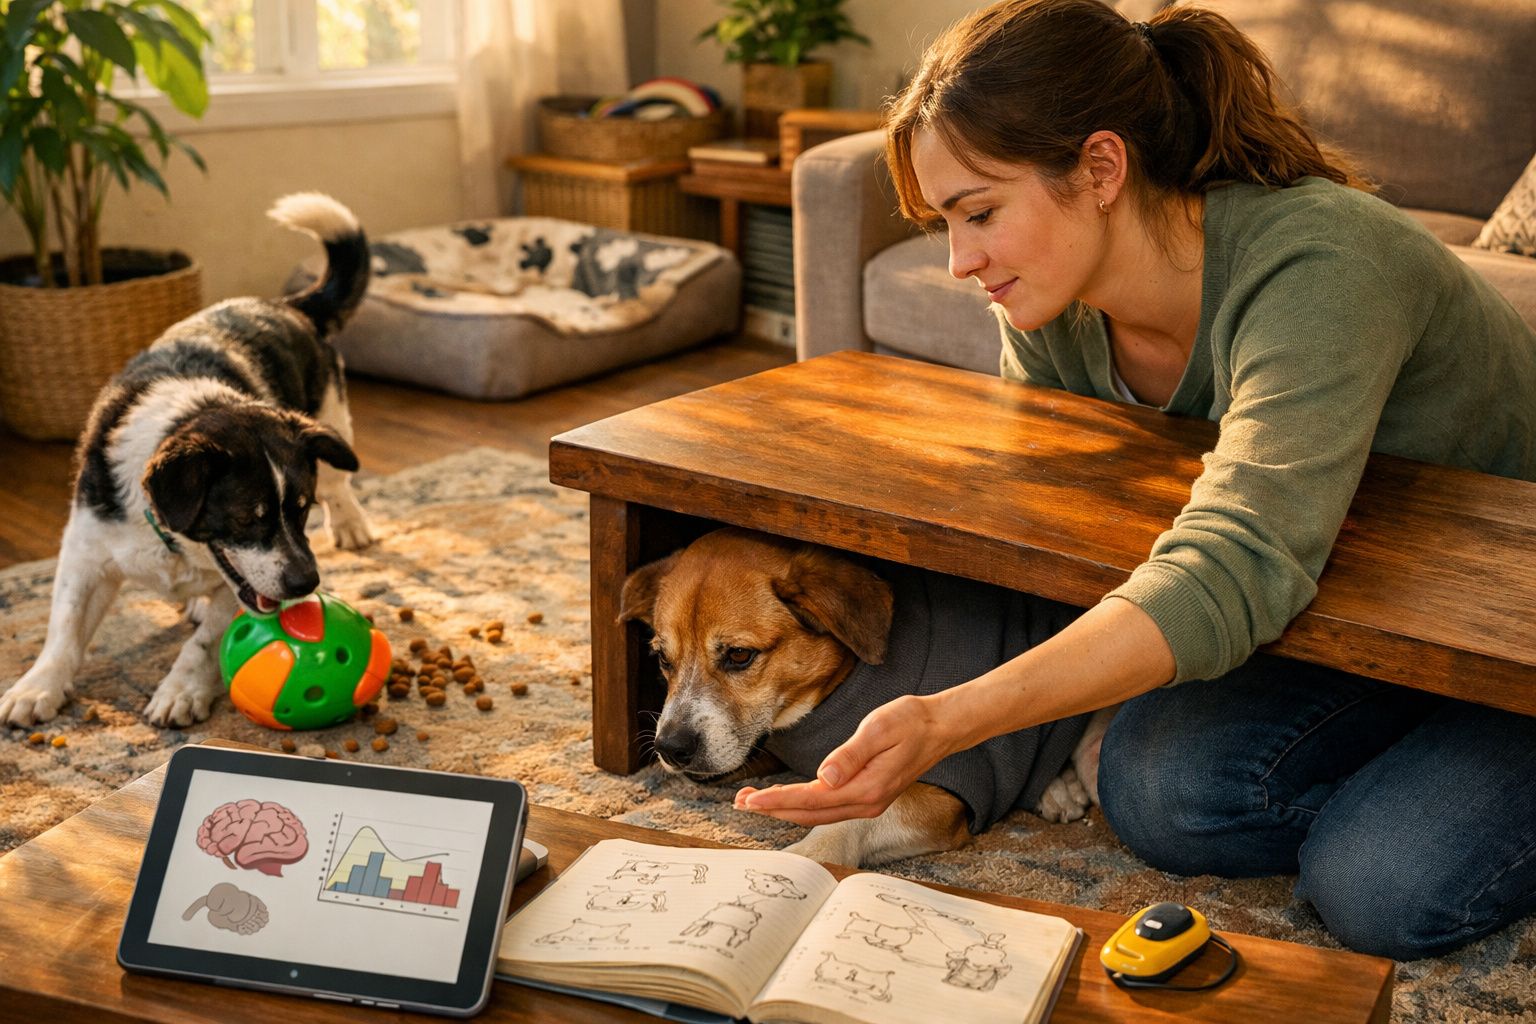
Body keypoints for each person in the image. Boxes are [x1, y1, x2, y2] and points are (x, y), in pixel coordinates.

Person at [734, 0, 1536, 961]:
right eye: (946, 222)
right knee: (1155, 791)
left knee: (1377, 887)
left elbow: (1235, 562)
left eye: (980, 212)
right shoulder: (1054, 305)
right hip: (1361, 616)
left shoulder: (1324, 263)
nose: (959, 262)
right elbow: (1058, 524)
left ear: (1102, 169)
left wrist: (950, 719)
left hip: (1504, 635)